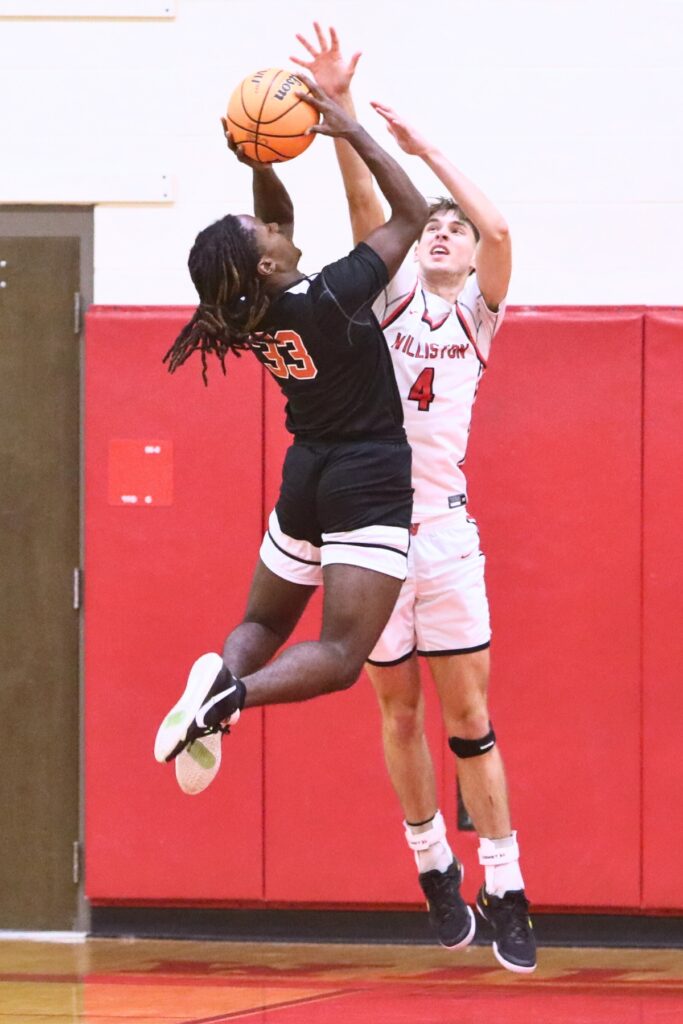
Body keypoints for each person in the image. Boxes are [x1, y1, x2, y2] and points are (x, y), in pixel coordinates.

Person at [290, 25, 536, 973]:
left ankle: (506, 885)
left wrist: (428, 149)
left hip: (442, 535)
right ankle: (433, 863)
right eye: (431, 223)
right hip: (370, 533)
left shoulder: (476, 315)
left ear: (470, 258)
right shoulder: (387, 298)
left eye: (453, 229)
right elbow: (363, 205)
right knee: (395, 712)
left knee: (469, 717)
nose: (440, 230)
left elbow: (502, 228)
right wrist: (341, 114)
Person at [154, 81, 429, 804]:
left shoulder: (246, 311)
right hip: (365, 473)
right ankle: (226, 701)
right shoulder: (333, 294)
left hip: (307, 472)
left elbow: (274, 216)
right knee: (341, 656)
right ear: (268, 264)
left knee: (261, 621)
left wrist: (258, 152)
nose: (271, 223)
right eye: (262, 230)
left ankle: (218, 680)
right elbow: (413, 213)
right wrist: (350, 131)